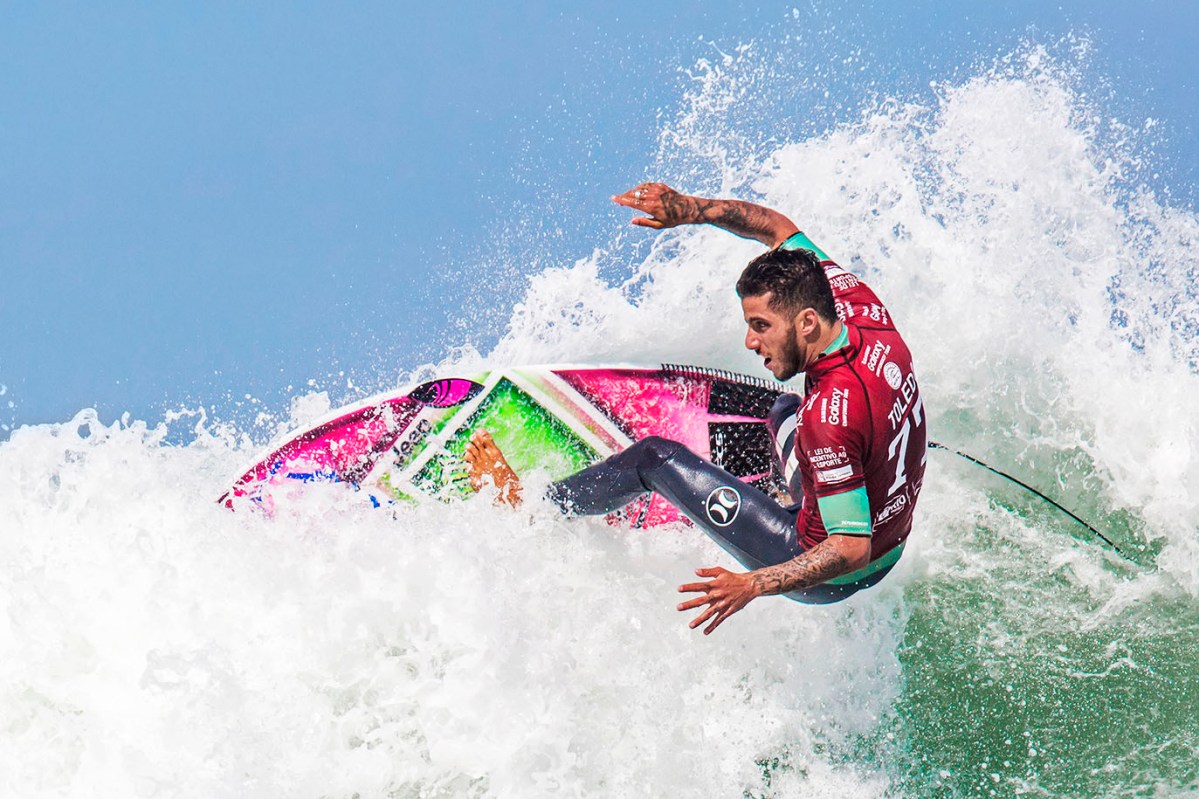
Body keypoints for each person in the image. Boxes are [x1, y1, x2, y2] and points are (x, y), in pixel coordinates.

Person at [465, 182, 926, 634]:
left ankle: (534, 505)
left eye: (761, 326)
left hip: (826, 568)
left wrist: (753, 583)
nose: (750, 341)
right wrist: (691, 209)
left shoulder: (830, 419)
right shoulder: (863, 311)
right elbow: (777, 227)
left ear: (807, 321)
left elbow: (850, 548)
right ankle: (770, 490)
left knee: (654, 457)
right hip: (894, 540)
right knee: (785, 408)